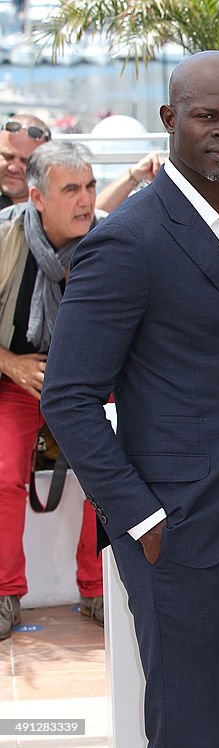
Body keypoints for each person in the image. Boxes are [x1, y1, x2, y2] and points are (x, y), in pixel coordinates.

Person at [41, 51, 219, 748]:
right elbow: (68, 396)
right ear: (170, 119)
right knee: (188, 729)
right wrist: (142, 520)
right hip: (176, 531)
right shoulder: (128, 241)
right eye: (206, 116)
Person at [0, 141, 103, 638]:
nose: (85, 201)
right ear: (37, 198)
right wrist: (10, 364)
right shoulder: (5, 237)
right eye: (70, 190)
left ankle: (100, 588)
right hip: (18, 377)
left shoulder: (109, 238)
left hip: (91, 383)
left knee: (115, 462)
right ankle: (4, 593)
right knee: (2, 469)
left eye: (90, 186)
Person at [1, 114, 160, 214]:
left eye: (25, 161)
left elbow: (92, 216)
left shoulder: (54, 209)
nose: (13, 167)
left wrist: (135, 174)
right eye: (7, 157)